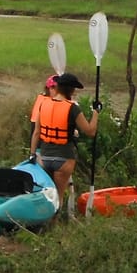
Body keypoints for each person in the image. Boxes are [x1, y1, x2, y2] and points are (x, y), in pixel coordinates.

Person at [29, 72, 99, 201]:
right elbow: (90, 131)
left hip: (44, 157)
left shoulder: (43, 104)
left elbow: (36, 133)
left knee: (47, 197)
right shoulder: (72, 108)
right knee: (58, 198)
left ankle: (45, 219)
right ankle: (55, 220)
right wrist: (96, 112)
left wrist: (32, 154)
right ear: (71, 90)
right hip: (64, 159)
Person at [28, 75, 57, 141]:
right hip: (42, 135)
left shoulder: (41, 97)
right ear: (50, 89)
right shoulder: (48, 101)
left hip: (37, 135)